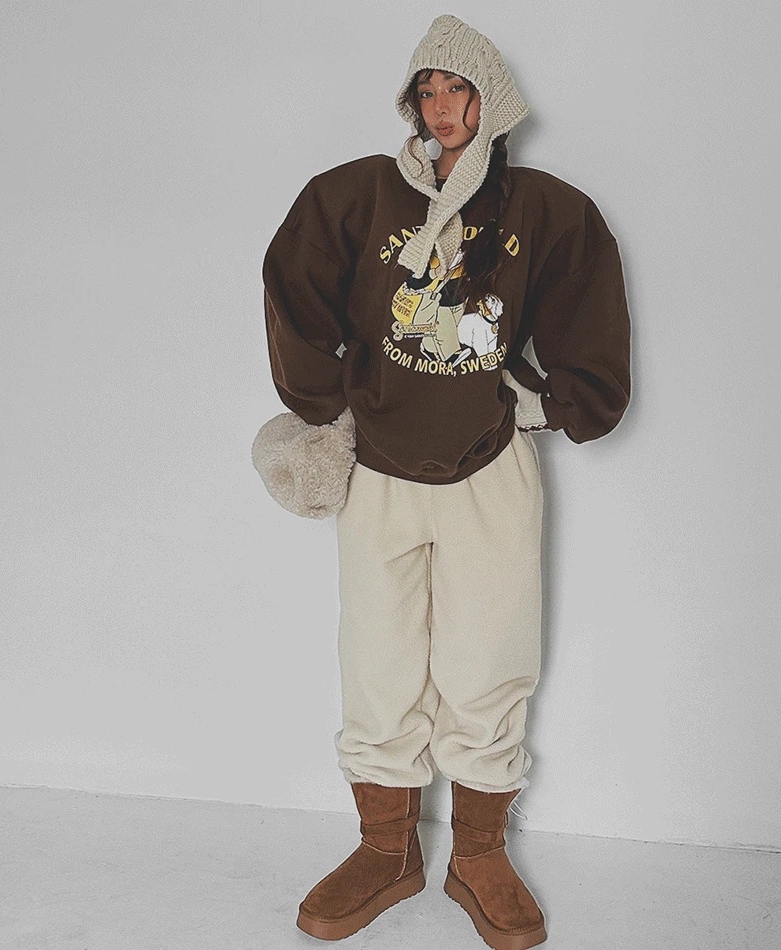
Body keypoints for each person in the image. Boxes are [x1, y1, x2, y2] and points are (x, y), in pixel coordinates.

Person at [259, 14, 631, 950]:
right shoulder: (356, 195)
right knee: (376, 658)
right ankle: (385, 850)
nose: (440, 107)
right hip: (378, 470)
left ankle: (478, 853)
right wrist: (328, 401)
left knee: (489, 656)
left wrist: (554, 404)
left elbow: (589, 304)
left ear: (490, 100)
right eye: (425, 90)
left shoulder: (543, 210)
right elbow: (291, 283)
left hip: (489, 467)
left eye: (457, 89)